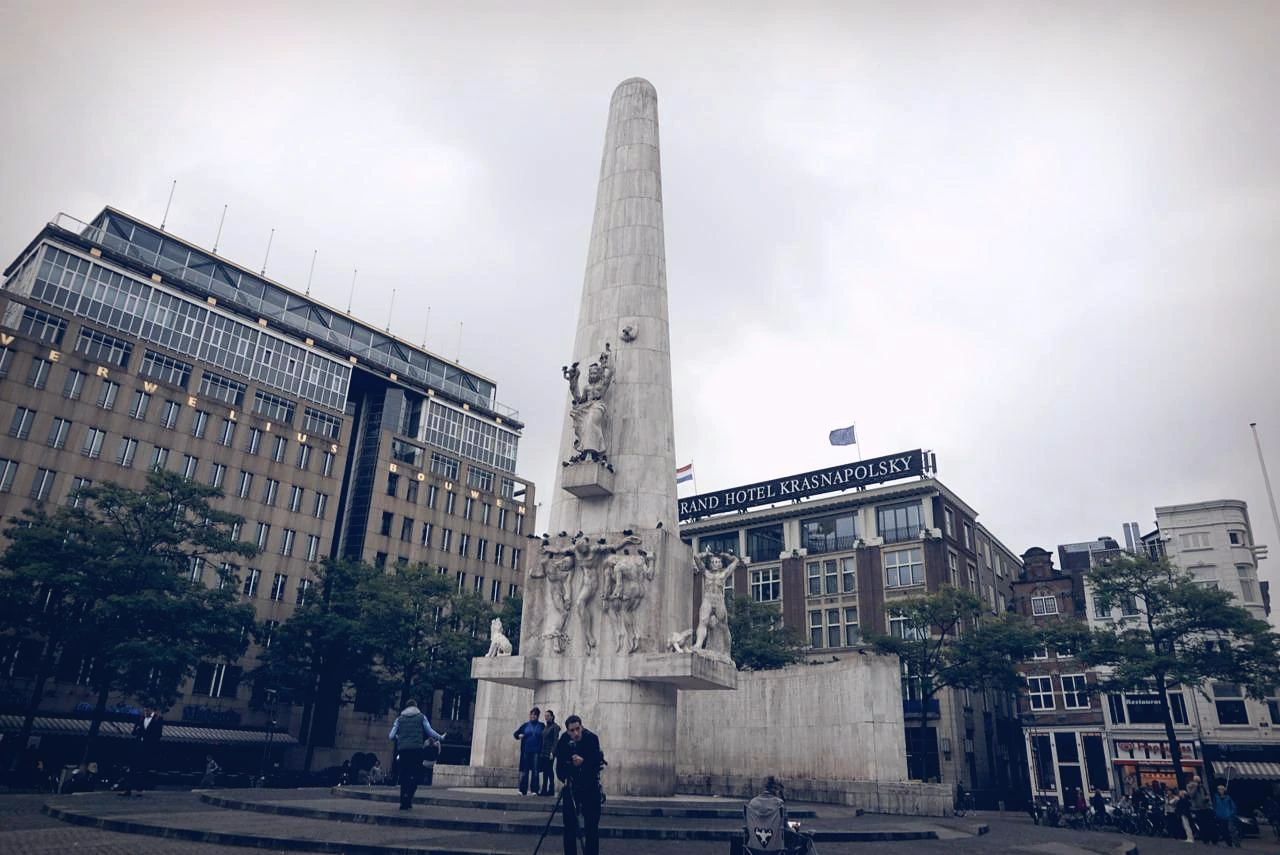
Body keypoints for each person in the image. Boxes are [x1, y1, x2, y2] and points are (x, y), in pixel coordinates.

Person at [555, 714, 605, 855]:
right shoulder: (563, 740)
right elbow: (559, 768)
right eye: (572, 730)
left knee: (591, 826)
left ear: (582, 726)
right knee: (569, 826)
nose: (576, 733)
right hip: (571, 787)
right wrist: (569, 768)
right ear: (567, 731)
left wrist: (584, 762)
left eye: (578, 729)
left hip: (590, 787)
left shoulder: (591, 738)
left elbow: (597, 763)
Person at [388, 698, 444, 810]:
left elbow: (391, 736)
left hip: (403, 750)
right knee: (416, 774)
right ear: (416, 706)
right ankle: (409, 796)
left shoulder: (399, 719)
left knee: (404, 774)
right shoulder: (421, 717)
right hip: (416, 749)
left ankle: (403, 800)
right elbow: (429, 731)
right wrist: (440, 737)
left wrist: (400, 738)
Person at [120, 706, 163, 796]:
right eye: (144, 710)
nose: (145, 712)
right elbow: (134, 731)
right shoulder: (141, 718)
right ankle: (128, 788)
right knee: (132, 767)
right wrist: (136, 730)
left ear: (152, 710)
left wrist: (151, 743)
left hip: (148, 748)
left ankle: (140, 788)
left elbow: (158, 734)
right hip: (138, 746)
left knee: (144, 768)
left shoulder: (157, 719)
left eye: (147, 710)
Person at [513, 706, 544, 795]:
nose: (533, 716)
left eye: (535, 715)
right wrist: (519, 736)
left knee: (535, 770)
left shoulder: (541, 725)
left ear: (538, 716)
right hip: (526, 751)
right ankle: (523, 790)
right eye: (531, 714)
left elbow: (545, 736)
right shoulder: (525, 725)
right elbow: (515, 734)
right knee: (525, 770)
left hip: (536, 751)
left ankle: (535, 790)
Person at [538, 709, 561, 796]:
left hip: (550, 752)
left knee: (549, 770)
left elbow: (555, 740)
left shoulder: (555, 727)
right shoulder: (546, 727)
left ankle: (550, 789)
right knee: (546, 770)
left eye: (548, 716)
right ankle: (545, 789)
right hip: (543, 751)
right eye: (545, 716)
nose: (546, 717)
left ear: (552, 716)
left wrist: (552, 752)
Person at [1213, 782, 1240, 847]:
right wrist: (1215, 813)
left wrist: (1230, 813)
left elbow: (1233, 807)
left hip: (1227, 816)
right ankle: (1229, 843)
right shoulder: (1216, 797)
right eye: (1219, 790)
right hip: (1219, 816)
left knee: (1231, 830)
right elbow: (1214, 806)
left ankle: (1235, 843)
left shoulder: (1228, 798)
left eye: (1221, 790)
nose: (1220, 791)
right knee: (1223, 830)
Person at [1187, 775, 1212, 841]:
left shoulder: (1202, 786)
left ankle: (1210, 836)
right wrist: (1195, 787)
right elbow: (1191, 795)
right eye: (1196, 781)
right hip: (1197, 808)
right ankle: (1204, 838)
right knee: (1201, 824)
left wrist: (1207, 798)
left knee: (1207, 823)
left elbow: (1207, 793)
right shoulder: (1190, 786)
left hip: (1205, 807)